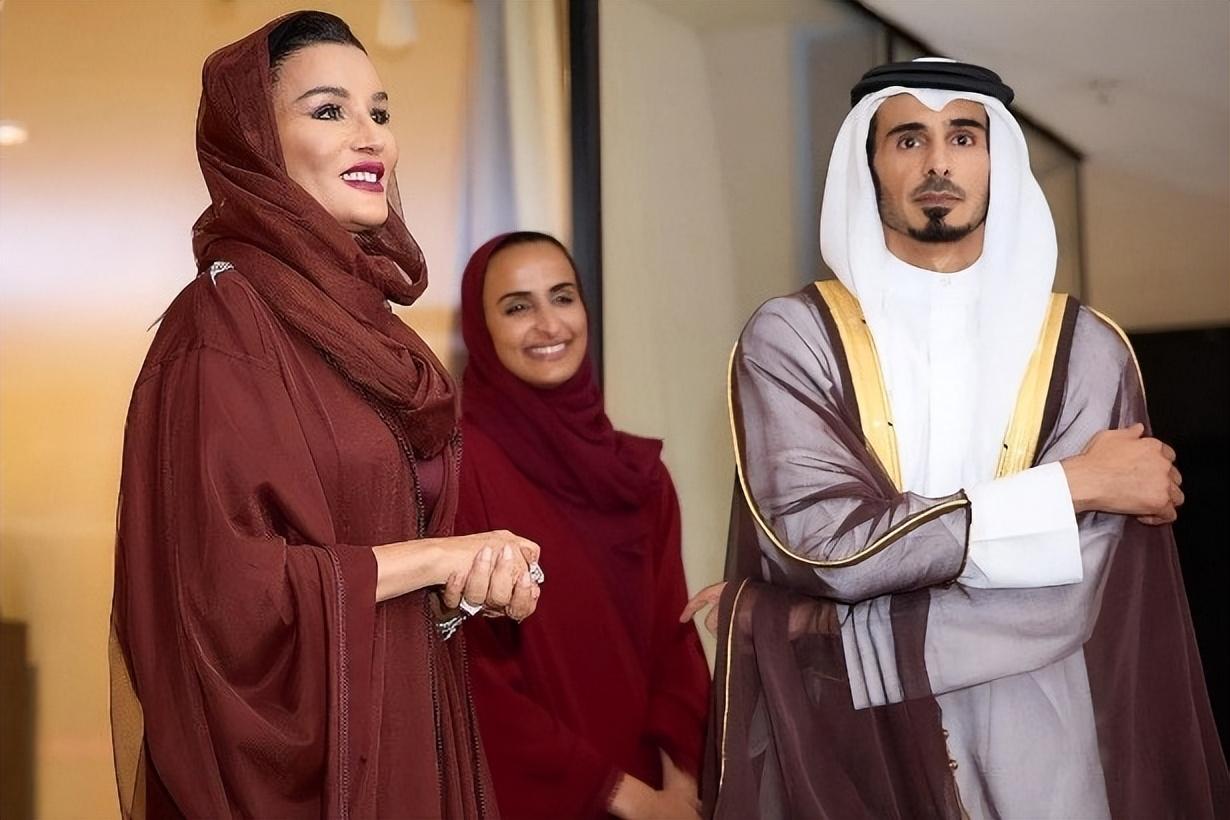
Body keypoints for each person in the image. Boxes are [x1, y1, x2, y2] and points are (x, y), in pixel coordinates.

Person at [691, 59, 1229, 818]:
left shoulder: (1086, 350)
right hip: (850, 744)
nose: (938, 163)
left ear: (996, 159)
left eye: (964, 138)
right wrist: (1069, 487)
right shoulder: (793, 338)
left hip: (1037, 735)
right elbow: (830, 547)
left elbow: (1064, 600)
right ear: (869, 164)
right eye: (909, 139)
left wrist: (820, 627)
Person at [109, 12, 542, 818]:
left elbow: (376, 541)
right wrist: (436, 557)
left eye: (379, 111)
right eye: (329, 110)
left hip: (406, 733)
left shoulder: (373, 333)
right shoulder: (222, 326)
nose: (369, 136)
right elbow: (224, 602)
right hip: (313, 780)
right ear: (256, 143)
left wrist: (463, 589)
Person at [453, 233, 711, 820]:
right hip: (537, 798)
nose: (549, 324)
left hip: (660, 795)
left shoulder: (640, 476)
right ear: (481, 330)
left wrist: (679, 789)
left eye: (563, 297)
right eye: (517, 307)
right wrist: (630, 800)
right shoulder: (461, 469)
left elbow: (673, 640)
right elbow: (471, 677)